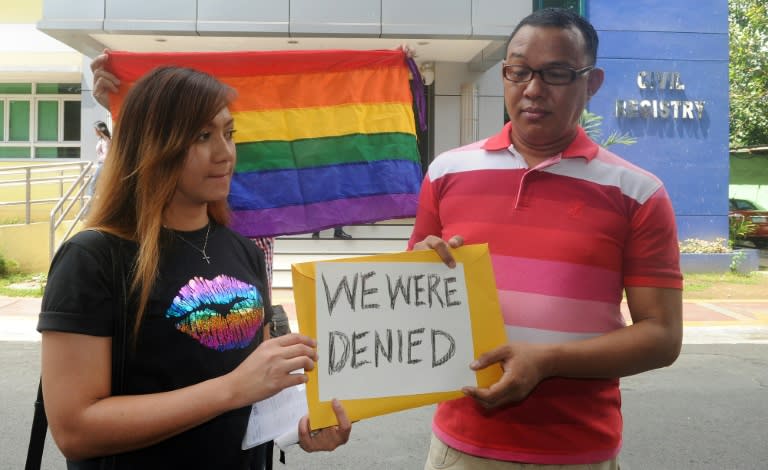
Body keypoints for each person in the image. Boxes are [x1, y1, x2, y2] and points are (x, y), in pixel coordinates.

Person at [409, 8, 683, 470]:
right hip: (461, 444)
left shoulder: (638, 192)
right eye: (519, 71)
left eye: (556, 73)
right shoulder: (446, 172)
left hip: (578, 450)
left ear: (592, 82)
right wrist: (415, 269)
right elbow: (410, 301)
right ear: (505, 73)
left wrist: (549, 360)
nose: (533, 89)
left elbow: (662, 336)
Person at [38, 65, 350, 469]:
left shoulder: (244, 252)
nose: (224, 152)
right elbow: (74, 429)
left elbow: (258, 385)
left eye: (228, 132)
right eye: (202, 136)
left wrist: (301, 426)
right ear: (153, 145)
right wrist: (232, 389)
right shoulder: (93, 258)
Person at [87, 120, 111, 197]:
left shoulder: (106, 140)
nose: (95, 131)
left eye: (95, 129)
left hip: (104, 164)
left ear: (100, 130)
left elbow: (106, 155)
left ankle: (91, 200)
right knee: (95, 182)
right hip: (101, 164)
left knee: (93, 182)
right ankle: (93, 198)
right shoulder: (101, 139)